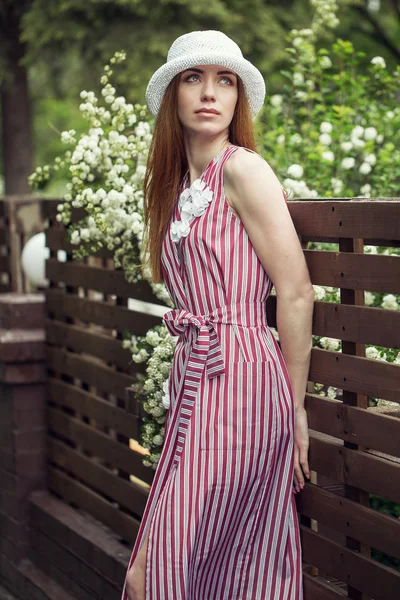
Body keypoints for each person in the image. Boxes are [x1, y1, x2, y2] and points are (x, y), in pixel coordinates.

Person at [123, 29, 314, 600]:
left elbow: (297, 291)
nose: (210, 93)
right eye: (194, 79)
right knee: (193, 571)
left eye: (224, 81)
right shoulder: (180, 186)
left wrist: (296, 410)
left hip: (243, 386)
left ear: (237, 100)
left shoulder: (243, 170)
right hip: (197, 378)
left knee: (157, 571)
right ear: (174, 98)